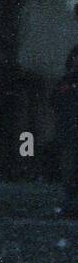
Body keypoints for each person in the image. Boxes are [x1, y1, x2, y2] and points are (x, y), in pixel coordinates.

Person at [52, 46, 78, 218]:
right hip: (70, 132)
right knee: (69, 169)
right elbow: (55, 101)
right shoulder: (66, 81)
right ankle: (70, 203)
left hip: (69, 131)